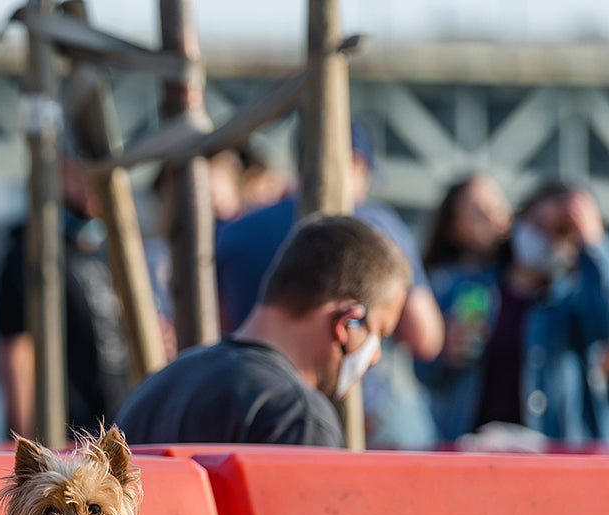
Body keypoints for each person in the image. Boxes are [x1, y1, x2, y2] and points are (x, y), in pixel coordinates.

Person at [214, 124, 444, 448]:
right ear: (355, 162)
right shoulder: (379, 227)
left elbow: (221, 321)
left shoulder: (239, 229)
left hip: (232, 399)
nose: (374, 354)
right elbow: (426, 338)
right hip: (358, 419)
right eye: (378, 333)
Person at [113, 214, 411, 447]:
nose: (375, 356)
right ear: (347, 322)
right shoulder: (298, 417)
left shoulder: (157, 387)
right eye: (380, 332)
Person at [418, 181, 609, 443]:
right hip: (474, 448)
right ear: (519, 220)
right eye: (538, 224)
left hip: (551, 454)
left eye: (558, 232)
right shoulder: (467, 289)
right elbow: (425, 372)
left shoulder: (575, 303)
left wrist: (595, 245)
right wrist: (441, 352)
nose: (544, 237)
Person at [0, 156, 133, 438]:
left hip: (117, 426)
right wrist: (23, 438)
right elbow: (17, 349)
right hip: (65, 434)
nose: (92, 183)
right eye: (81, 173)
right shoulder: (30, 252)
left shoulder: (107, 250)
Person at [422, 173, 512, 274]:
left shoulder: (520, 269)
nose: (493, 217)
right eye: (480, 212)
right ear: (453, 228)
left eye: (498, 206)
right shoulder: (440, 278)